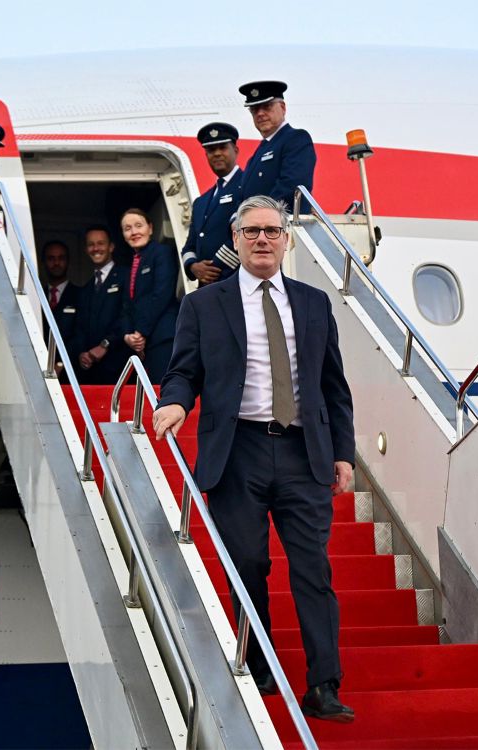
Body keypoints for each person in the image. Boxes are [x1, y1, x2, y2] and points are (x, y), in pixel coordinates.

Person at [152, 195, 355, 723]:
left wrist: (344, 453)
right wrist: (175, 402)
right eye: (251, 232)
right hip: (237, 451)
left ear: (286, 239)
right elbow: (184, 371)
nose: (262, 239)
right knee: (248, 563)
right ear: (236, 240)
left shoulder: (314, 304)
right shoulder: (204, 305)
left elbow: (333, 385)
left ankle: (324, 684)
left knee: (312, 568)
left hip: (303, 452)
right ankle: (259, 664)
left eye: (271, 231)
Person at [119, 208, 179, 383]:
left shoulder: (162, 253)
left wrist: (140, 332)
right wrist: (128, 335)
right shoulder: (131, 264)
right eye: (128, 228)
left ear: (150, 228)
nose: (134, 232)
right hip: (142, 342)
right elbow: (126, 305)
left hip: (162, 337)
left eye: (139, 225)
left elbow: (161, 295)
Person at [180, 122, 243, 286]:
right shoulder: (201, 202)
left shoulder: (247, 185)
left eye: (222, 148)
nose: (217, 154)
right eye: (211, 150)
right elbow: (189, 247)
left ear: (235, 150)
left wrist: (215, 268)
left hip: (234, 282)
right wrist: (193, 266)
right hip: (206, 287)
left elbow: (246, 233)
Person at [238, 81, 316, 210]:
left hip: (281, 220)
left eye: (267, 106)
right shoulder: (257, 154)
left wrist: (260, 214)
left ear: (283, 108)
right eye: (255, 109)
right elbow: (244, 194)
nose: (260, 113)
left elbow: (292, 184)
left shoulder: (296, 139)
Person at [73, 226, 132, 385]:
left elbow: (127, 315)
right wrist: (82, 353)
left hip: (119, 367)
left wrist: (105, 344)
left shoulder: (126, 276)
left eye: (100, 243)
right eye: (91, 244)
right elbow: (80, 327)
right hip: (90, 372)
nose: (95, 248)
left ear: (111, 247)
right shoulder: (86, 288)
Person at [41, 240, 80, 369]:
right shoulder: (35, 295)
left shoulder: (80, 295)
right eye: (51, 258)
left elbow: (81, 335)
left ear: (68, 261)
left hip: (71, 370)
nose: (56, 263)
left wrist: (61, 364)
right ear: (43, 262)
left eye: (61, 258)